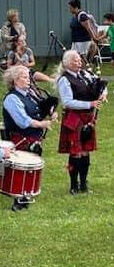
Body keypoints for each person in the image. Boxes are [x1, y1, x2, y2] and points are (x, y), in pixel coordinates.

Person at [3, 65, 57, 211]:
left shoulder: (30, 93)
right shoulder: (12, 98)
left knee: (31, 167)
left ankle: (25, 196)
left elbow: (41, 105)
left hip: (33, 137)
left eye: (29, 77)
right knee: (22, 167)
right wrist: (41, 124)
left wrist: (52, 112)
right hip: (20, 137)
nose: (29, 80)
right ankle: (18, 201)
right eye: (25, 77)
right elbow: (23, 121)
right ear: (15, 80)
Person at [57, 50, 106, 195]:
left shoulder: (85, 75)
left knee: (85, 151)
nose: (79, 63)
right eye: (75, 61)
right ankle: (73, 186)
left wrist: (103, 93)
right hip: (74, 118)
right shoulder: (64, 80)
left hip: (87, 118)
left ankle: (84, 184)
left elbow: (100, 83)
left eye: (79, 60)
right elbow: (67, 102)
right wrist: (90, 104)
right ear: (67, 64)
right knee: (75, 152)